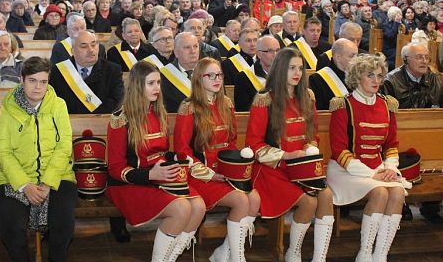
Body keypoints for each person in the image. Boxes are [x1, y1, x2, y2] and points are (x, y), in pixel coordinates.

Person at [106, 61, 206, 261]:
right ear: (137, 86)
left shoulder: (158, 112)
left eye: (159, 83)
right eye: (151, 83)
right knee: (182, 208)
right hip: (130, 183)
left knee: (199, 207)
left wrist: (176, 157)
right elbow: (115, 168)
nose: (157, 88)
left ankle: (170, 258)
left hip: (160, 177)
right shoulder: (120, 119)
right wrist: (150, 175)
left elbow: (161, 152)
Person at [246, 48, 334, 262]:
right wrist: (286, 155)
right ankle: (293, 252)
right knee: (308, 202)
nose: (297, 73)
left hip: (301, 167)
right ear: (279, 69)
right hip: (273, 169)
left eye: (300, 68)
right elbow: (254, 145)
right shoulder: (264, 100)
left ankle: (319, 257)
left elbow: (313, 134)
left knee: (326, 196)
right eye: (291, 68)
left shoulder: (307, 97)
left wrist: (310, 148)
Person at [174, 57, 260, 261]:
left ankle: (225, 253)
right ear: (198, 79)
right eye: (210, 75)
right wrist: (210, 174)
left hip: (225, 171)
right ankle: (237, 258)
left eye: (219, 75)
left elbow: (230, 143)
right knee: (240, 200)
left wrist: (234, 170)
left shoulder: (226, 104)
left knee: (254, 198)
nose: (216, 79)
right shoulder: (189, 107)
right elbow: (181, 150)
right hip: (201, 175)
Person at [0, 57, 77, 262]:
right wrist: (24, 185)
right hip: (14, 178)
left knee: (63, 223)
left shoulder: (58, 105)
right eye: (32, 81)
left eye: (43, 81)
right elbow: (3, 151)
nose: (38, 87)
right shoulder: (8, 107)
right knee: (12, 227)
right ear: (22, 80)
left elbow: (64, 145)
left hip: (57, 175)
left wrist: (48, 182)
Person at [328, 54, 406, 262]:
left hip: (378, 167)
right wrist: (374, 174)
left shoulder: (387, 105)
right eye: (370, 75)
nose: (376, 80)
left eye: (380, 75)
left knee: (398, 193)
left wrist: (390, 168)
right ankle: (364, 253)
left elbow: (391, 145)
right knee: (380, 193)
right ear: (356, 77)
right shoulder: (343, 105)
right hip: (345, 170)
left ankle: (380, 255)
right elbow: (339, 150)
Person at [382, 42, 443, 223]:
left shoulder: (437, 79)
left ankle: (430, 205)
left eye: (426, 57)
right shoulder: (391, 80)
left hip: (430, 132)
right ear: (406, 60)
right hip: (400, 134)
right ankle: (401, 204)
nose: (424, 61)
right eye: (419, 57)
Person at [50, 30, 123, 114]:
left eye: (93, 45)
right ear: (72, 51)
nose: (91, 50)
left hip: (101, 123)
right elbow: (54, 103)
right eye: (84, 46)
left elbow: (116, 102)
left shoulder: (113, 70)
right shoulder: (58, 71)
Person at [223, 29, 268, 112]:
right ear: (239, 44)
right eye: (248, 41)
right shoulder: (228, 64)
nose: (253, 44)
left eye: (255, 40)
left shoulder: (266, 61)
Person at [310, 38, 358, 110]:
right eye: (352, 56)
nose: (357, 60)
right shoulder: (317, 79)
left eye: (357, 56)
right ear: (338, 57)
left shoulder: (359, 76)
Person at [161, 32, 199, 113]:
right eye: (187, 47)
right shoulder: (163, 76)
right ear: (176, 52)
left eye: (195, 46)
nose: (193, 51)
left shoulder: (210, 72)